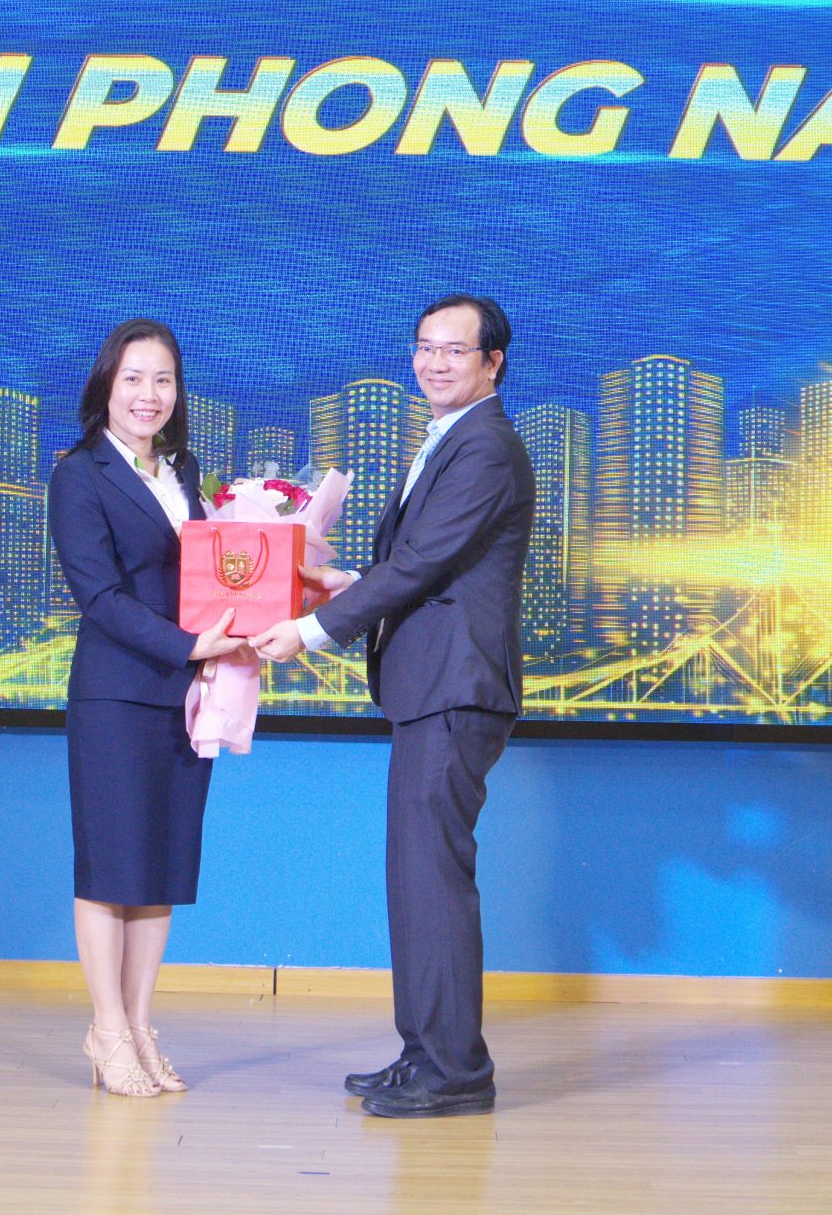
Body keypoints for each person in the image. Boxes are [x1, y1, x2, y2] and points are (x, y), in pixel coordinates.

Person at [248, 294, 534, 1118]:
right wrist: (343, 583)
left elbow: (422, 566)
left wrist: (311, 629)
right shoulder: (450, 437)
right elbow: (425, 565)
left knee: (432, 880)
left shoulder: (486, 446)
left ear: (493, 362)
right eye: (424, 346)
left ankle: (454, 1071)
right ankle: (425, 1055)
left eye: (455, 349)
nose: (434, 362)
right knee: (416, 879)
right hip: (432, 686)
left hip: (454, 687)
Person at [47, 317, 247, 1098]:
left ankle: (137, 1024)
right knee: (111, 866)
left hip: (184, 695)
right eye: (133, 377)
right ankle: (105, 1028)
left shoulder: (184, 471)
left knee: (159, 866)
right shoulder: (79, 474)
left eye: (163, 378)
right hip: (116, 693)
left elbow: (208, 574)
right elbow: (98, 596)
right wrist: (191, 645)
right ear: (106, 384)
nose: (148, 393)